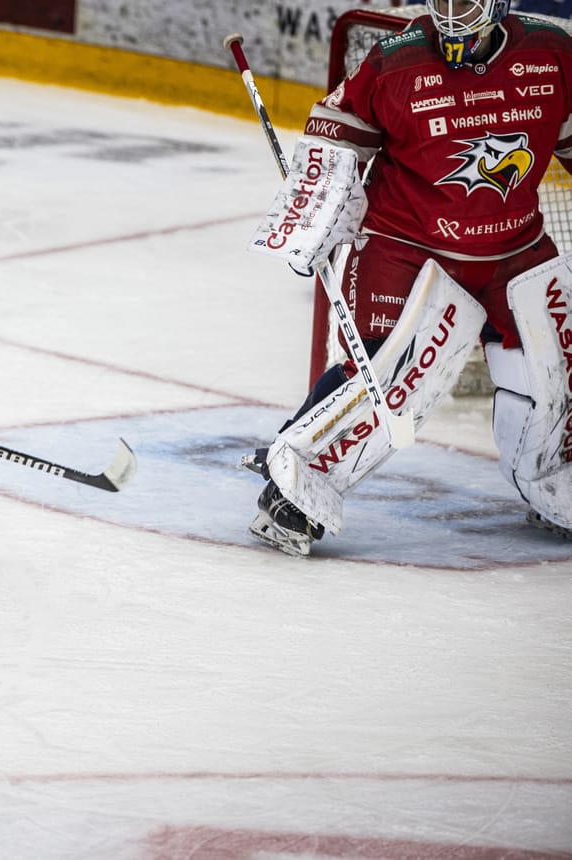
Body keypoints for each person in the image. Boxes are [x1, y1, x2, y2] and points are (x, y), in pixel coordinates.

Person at [245, 0, 572, 556]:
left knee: (554, 375)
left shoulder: (552, 55)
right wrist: (316, 208)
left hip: (513, 247)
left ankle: (552, 485)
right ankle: (291, 490)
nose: (450, 11)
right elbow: (336, 131)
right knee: (388, 370)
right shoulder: (397, 61)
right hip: (408, 246)